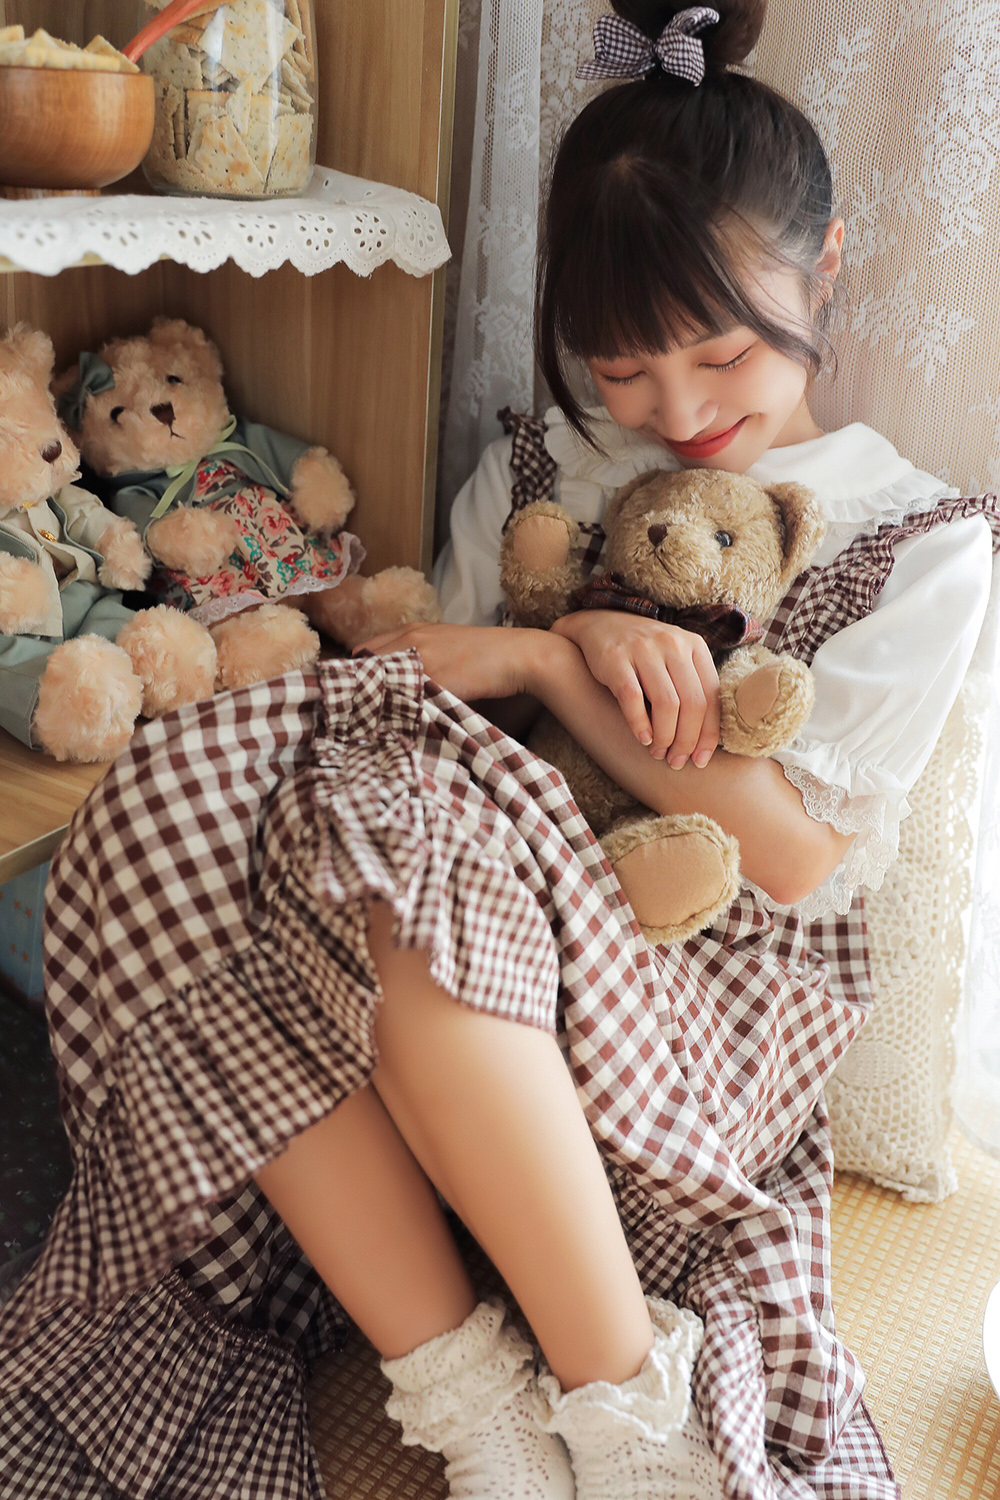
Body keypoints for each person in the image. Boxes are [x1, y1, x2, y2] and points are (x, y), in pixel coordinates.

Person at [0, 4, 995, 1500]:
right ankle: (486, 1424)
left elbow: (791, 855)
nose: (676, 412)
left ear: (828, 265)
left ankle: (631, 1426)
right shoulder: (543, 465)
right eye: (623, 367)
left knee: (400, 860)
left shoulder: (913, 538)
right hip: (453, 974)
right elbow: (404, 714)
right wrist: (551, 645)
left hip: (700, 1013)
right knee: (204, 805)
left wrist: (548, 661)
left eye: (722, 353)